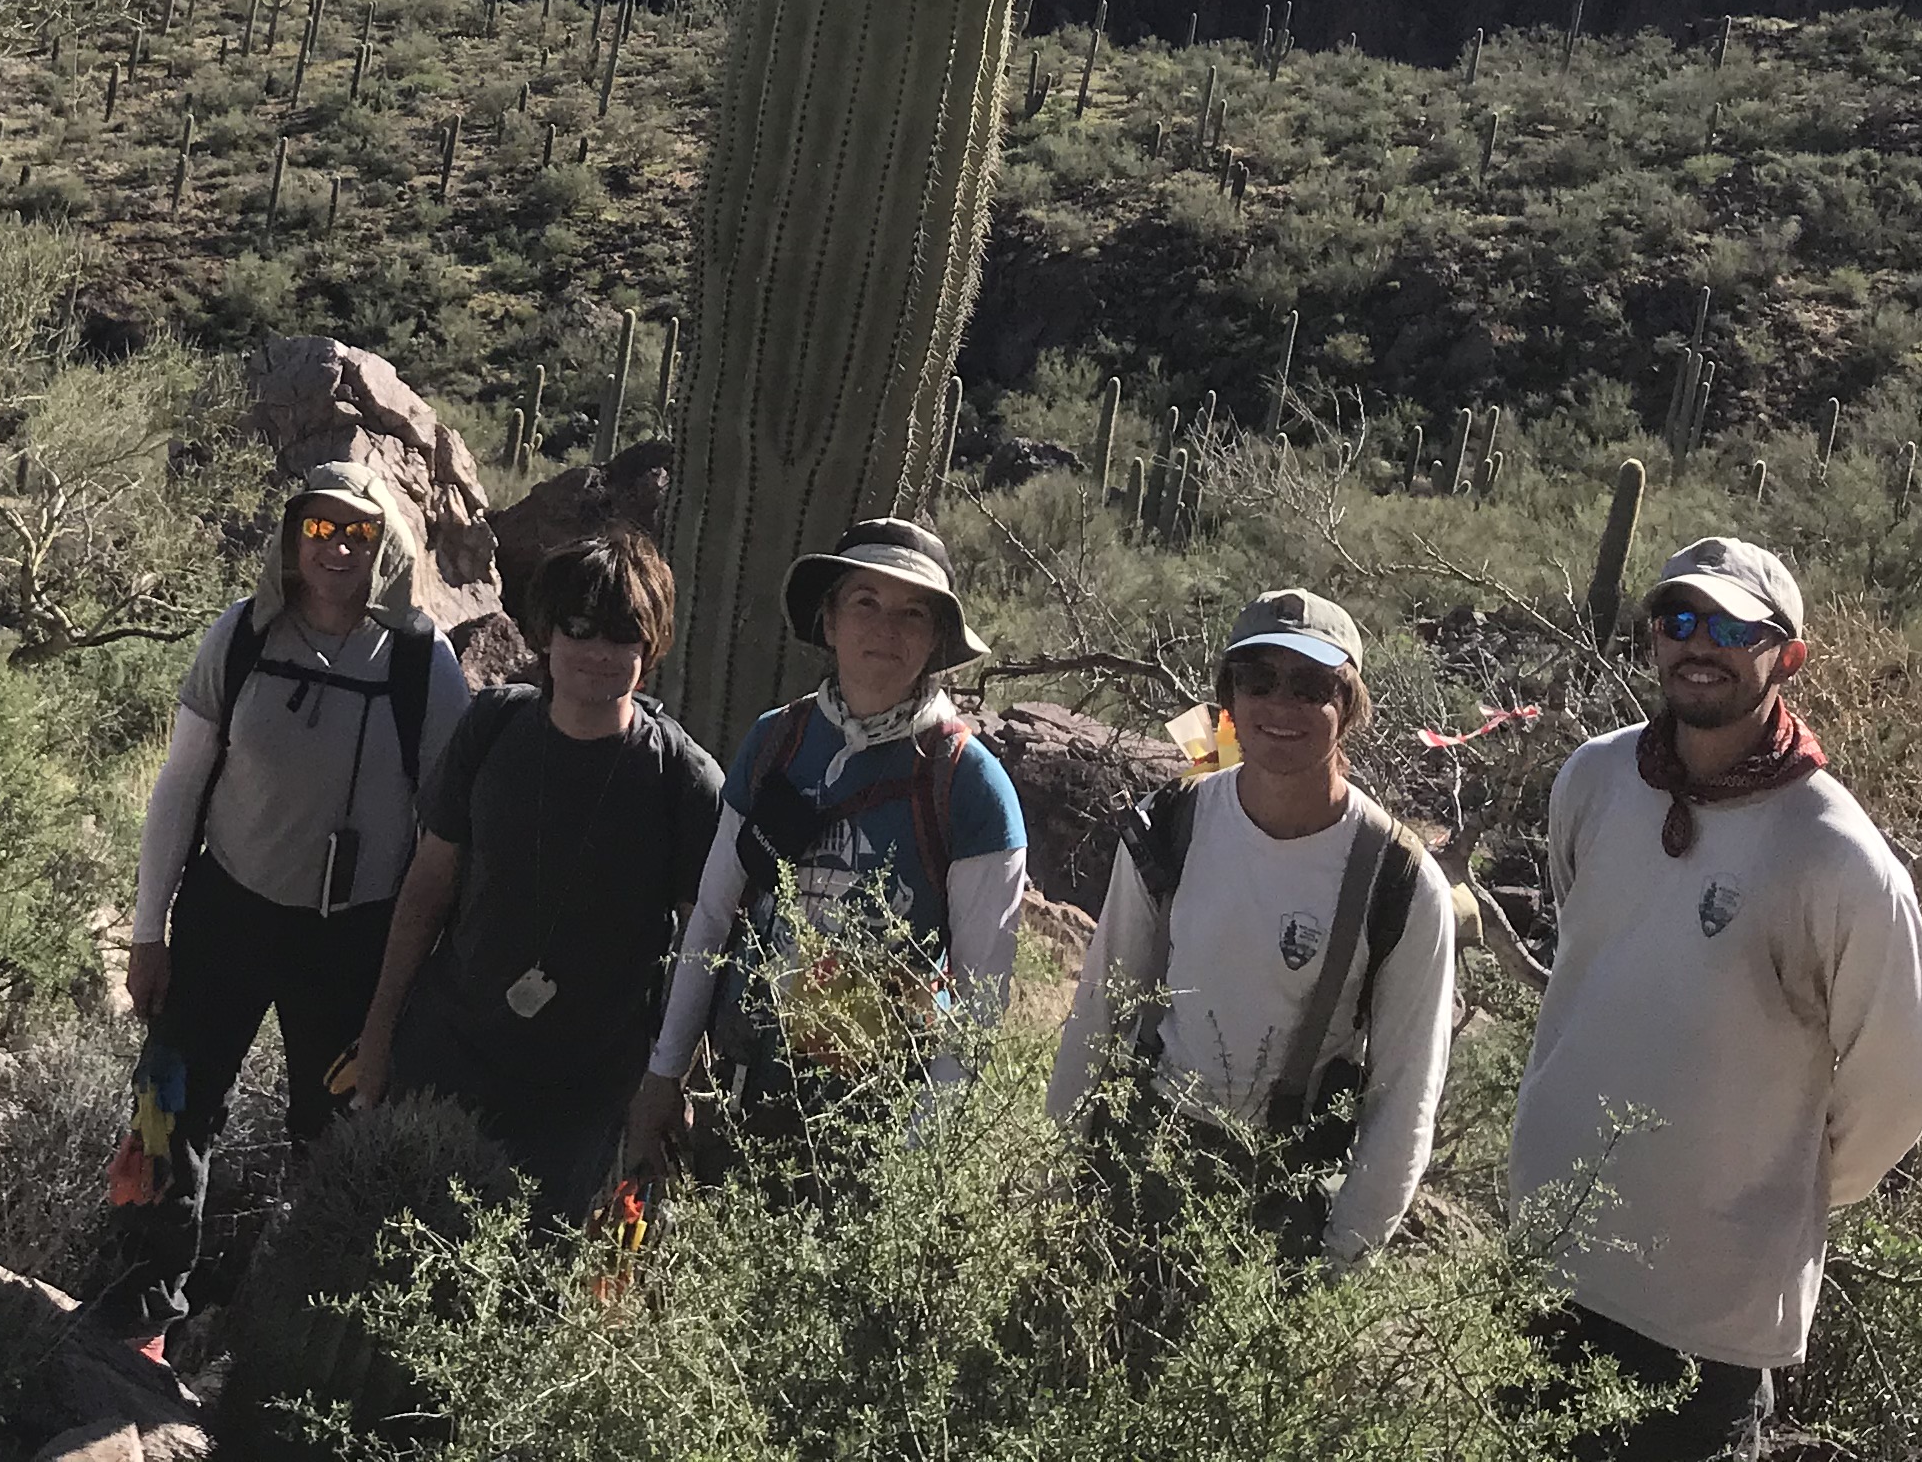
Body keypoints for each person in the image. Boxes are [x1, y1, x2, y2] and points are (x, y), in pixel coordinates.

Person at [1507, 537, 1922, 1461]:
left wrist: (1776, 1194)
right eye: (1679, 619)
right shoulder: (1593, 779)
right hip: (1554, 1258)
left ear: (1787, 655)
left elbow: (1901, 1081)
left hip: (1706, 1317)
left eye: (1735, 626)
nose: (1699, 643)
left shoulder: (1837, 857)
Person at [90, 456, 474, 1346]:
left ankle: (301, 1331)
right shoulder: (242, 637)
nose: (337, 548)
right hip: (229, 910)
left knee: (336, 1130)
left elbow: (448, 835)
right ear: (291, 536)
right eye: (319, 528)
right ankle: (149, 1301)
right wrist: (148, 932)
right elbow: (179, 787)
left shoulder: (424, 664)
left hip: (355, 938)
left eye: (358, 531)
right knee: (173, 1102)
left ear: (387, 543)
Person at [1049, 589, 1459, 1273]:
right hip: (1138, 1163)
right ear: (1228, 699)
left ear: (1349, 707)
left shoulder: (1400, 882)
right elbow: (1100, 1008)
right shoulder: (1170, 825)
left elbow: (1406, 1095)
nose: (1280, 705)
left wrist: (1339, 1265)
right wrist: (1056, 1182)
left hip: (1282, 1203)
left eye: (1309, 686)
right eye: (1258, 679)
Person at [348, 525, 726, 1216]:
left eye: (623, 633)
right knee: (405, 1249)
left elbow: (703, 953)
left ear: (652, 645)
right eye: (579, 627)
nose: (598, 651)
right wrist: (377, 1035)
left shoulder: (683, 779)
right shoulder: (493, 727)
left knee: (529, 1285)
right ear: (547, 634)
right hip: (449, 1054)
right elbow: (427, 889)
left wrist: (668, 1088)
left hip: (584, 1094)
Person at [643, 518, 1026, 1156]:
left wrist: (908, 1170)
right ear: (828, 622)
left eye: (912, 614)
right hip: (737, 1099)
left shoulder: (970, 788)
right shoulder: (775, 742)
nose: (885, 628)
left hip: (872, 1130)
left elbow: (982, 998)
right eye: (865, 603)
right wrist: (665, 1073)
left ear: (935, 641)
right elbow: (711, 919)